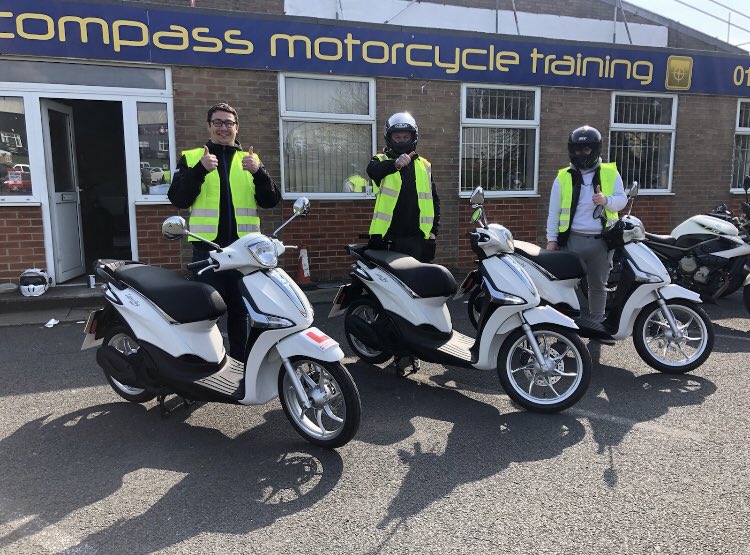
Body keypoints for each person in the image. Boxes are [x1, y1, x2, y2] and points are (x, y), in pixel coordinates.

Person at [168, 102, 281, 360]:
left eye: (229, 123)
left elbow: (270, 201)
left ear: (237, 127)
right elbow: (178, 199)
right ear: (209, 126)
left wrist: (259, 172)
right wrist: (200, 170)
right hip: (207, 251)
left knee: (241, 312)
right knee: (205, 313)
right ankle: (206, 362)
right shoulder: (193, 157)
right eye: (217, 122)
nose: (223, 127)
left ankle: (239, 362)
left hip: (243, 252)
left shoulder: (250, 160)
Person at [545, 125, 627, 325]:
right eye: (578, 149)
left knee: (598, 286)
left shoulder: (610, 173)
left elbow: (622, 200)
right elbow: (554, 211)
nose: (582, 153)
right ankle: (566, 326)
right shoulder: (563, 177)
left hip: (601, 241)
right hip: (572, 240)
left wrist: (605, 200)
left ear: (595, 149)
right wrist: (551, 240)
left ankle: (597, 323)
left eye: (587, 149)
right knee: (566, 285)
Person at [366, 112, 440, 263]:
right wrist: (395, 164)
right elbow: (372, 170)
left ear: (413, 137)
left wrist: (433, 231)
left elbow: (434, 200)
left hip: (418, 238)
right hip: (387, 237)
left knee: (419, 281)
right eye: (397, 138)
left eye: (406, 137)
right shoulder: (381, 160)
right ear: (389, 138)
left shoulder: (424, 165)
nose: (401, 141)